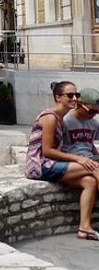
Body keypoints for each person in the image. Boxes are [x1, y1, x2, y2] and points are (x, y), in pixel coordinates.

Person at [26, 81, 99, 240]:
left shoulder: (59, 117)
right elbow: (47, 151)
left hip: (51, 164)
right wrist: (78, 158)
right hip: (41, 166)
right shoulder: (50, 117)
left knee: (89, 182)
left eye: (76, 95)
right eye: (70, 95)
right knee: (95, 168)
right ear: (58, 97)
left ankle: (84, 228)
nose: (74, 98)